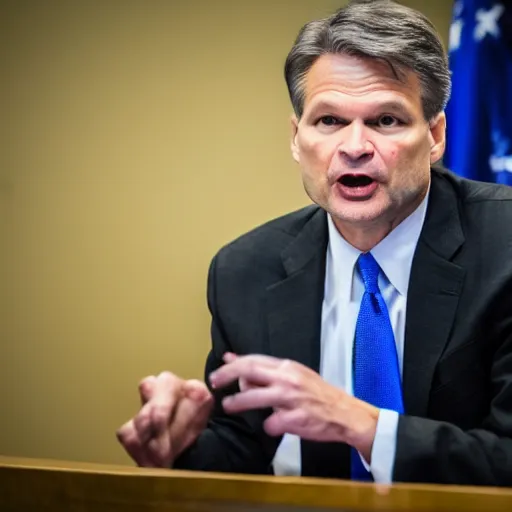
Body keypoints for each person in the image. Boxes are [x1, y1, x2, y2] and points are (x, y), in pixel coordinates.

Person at [117, 0, 512, 485]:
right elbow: (250, 451)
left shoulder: (504, 244)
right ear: (296, 137)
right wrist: (182, 446)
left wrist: (367, 428)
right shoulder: (245, 270)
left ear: (434, 135)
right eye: (329, 121)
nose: (354, 147)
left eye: (386, 120)